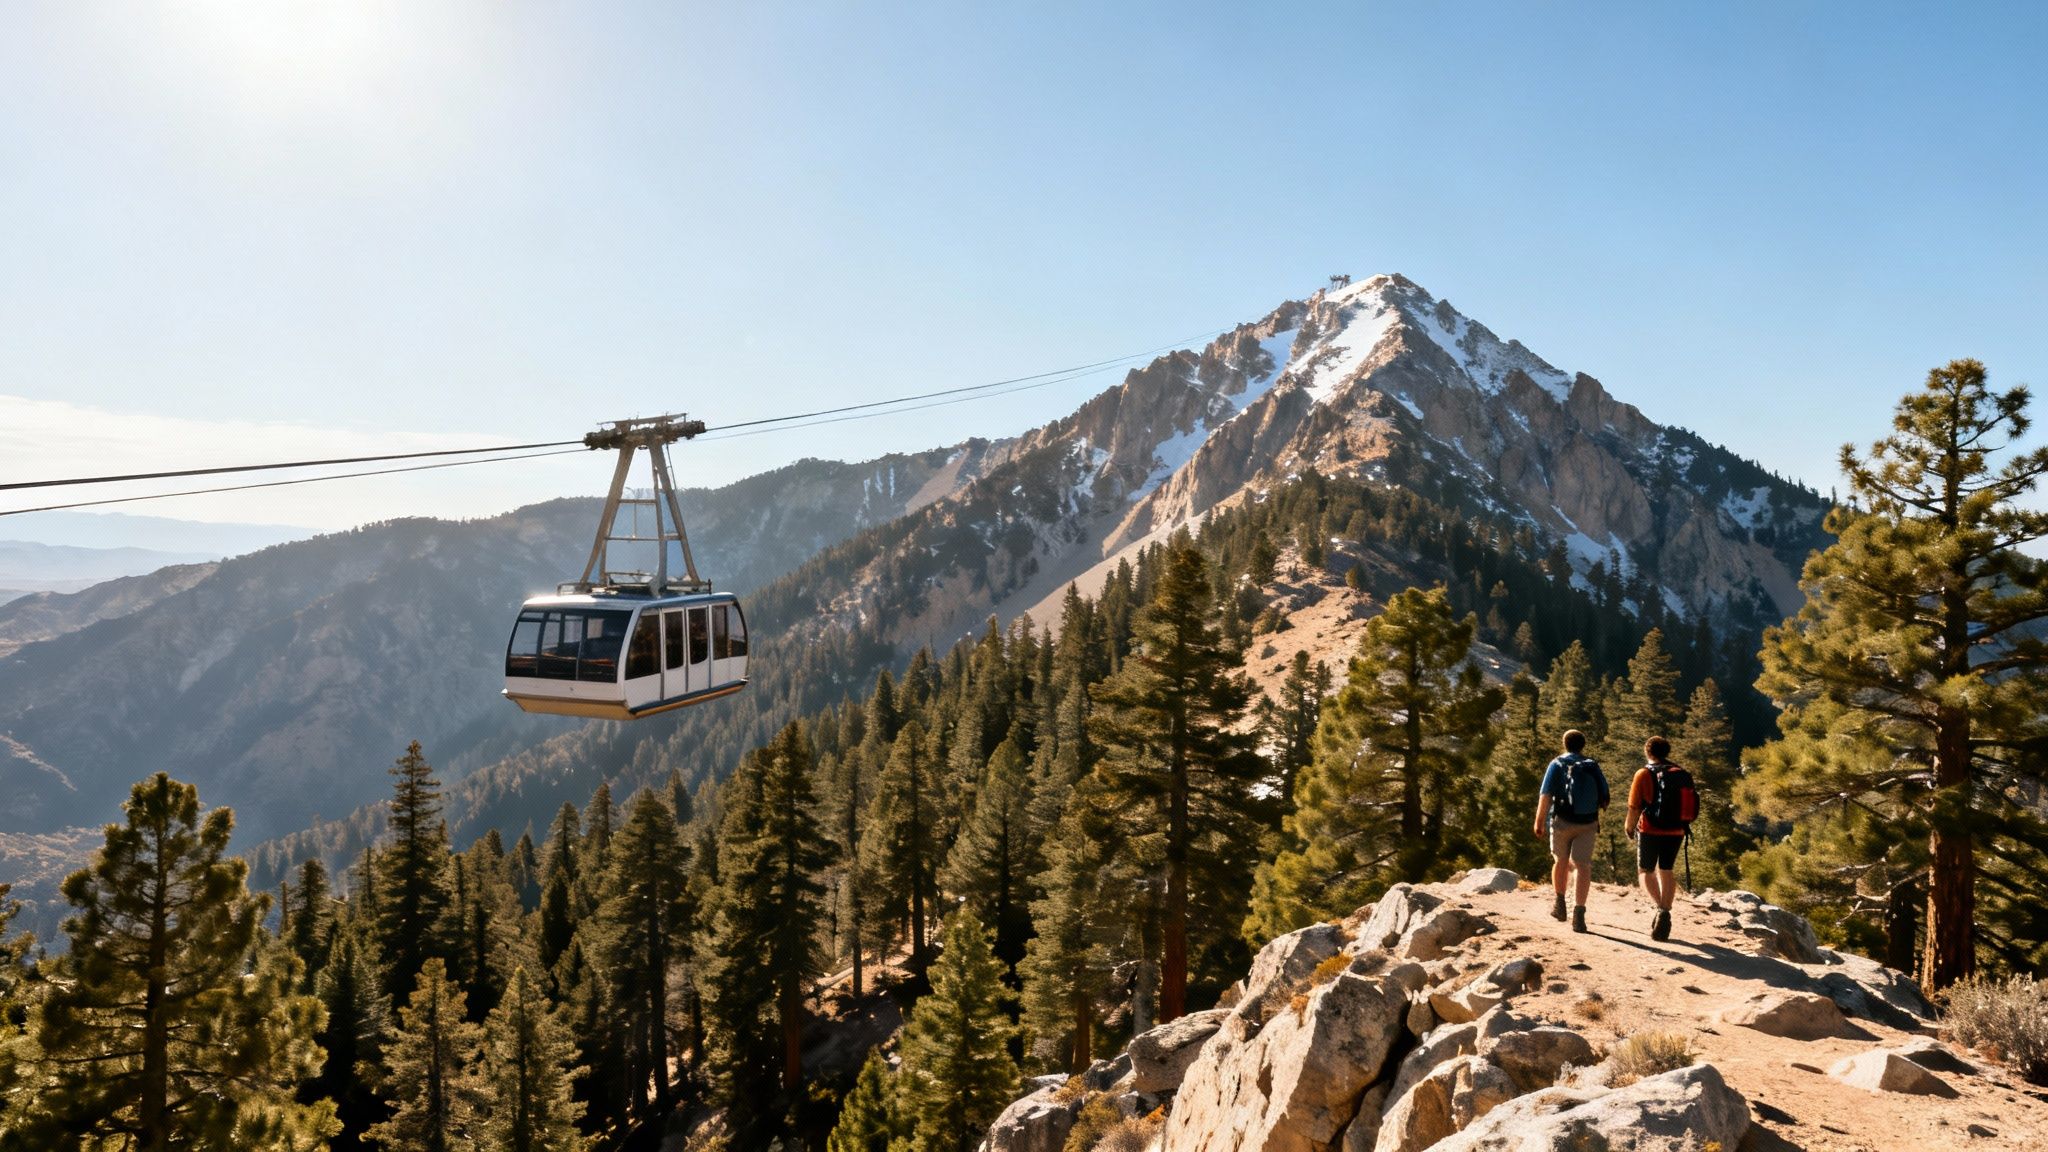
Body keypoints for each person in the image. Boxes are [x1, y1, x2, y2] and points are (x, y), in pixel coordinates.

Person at [1532, 729, 1607, 933]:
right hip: (1587, 823)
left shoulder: (1557, 764)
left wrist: (1539, 821)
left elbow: (1546, 795)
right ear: (1583, 745)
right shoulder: (1592, 765)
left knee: (1561, 861)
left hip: (1562, 821)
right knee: (1583, 866)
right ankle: (1579, 914)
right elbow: (1604, 796)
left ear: (1564, 743)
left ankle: (1560, 904)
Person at [1627, 736, 1689, 942]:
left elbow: (1635, 806)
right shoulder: (1681, 773)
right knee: (1666, 870)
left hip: (1650, 829)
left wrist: (1629, 827)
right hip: (1676, 830)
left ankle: (1660, 909)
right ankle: (1666, 910)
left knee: (1645, 870)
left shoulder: (1643, 773)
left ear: (1647, 751)